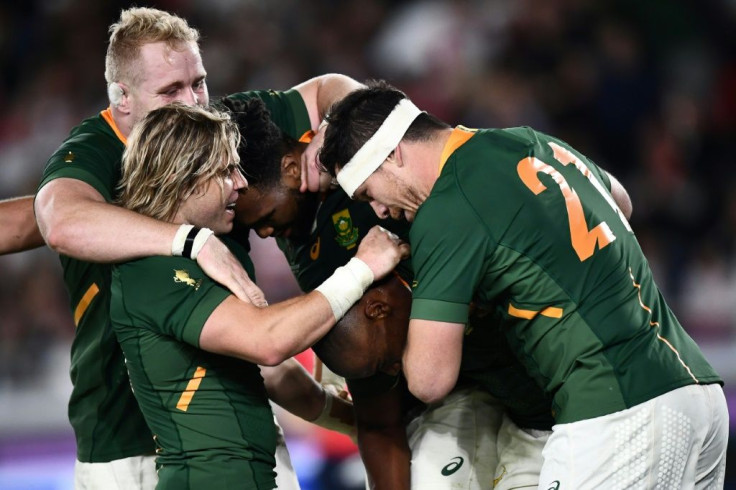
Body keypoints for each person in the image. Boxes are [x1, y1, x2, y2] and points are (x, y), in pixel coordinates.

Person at [319, 80, 728, 489]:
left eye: (368, 191)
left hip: (617, 409)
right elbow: (620, 201)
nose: (378, 209)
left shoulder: (445, 209)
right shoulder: (527, 140)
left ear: (392, 153)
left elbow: (430, 380)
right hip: (698, 394)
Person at [28, 6, 353, 488]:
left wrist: (339, 127)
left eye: (198, 82)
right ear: (122, 99)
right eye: (171, 90)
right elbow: (59, 221)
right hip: (122, 443)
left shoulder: (222, 126)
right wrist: (189, 240)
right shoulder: (96, 150)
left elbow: (332, 88)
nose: (195, 101)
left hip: (241, 426)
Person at [228, 97, 552, 489]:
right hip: (456, 398)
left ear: (292, 167)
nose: (264, 234)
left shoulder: (383, 178)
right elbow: (378, 415)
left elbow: (348, 94)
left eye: (264, 219)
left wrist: (334, 125)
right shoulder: (315, 255)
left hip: (545, 381)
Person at [110, 102, 405, 489]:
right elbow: (267, 342)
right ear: (186, 178)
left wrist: (357, 420)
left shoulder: (209, 256)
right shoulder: (151, 269)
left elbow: (271, 372)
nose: (240, 183)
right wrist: (362, 268)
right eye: (225, 171)